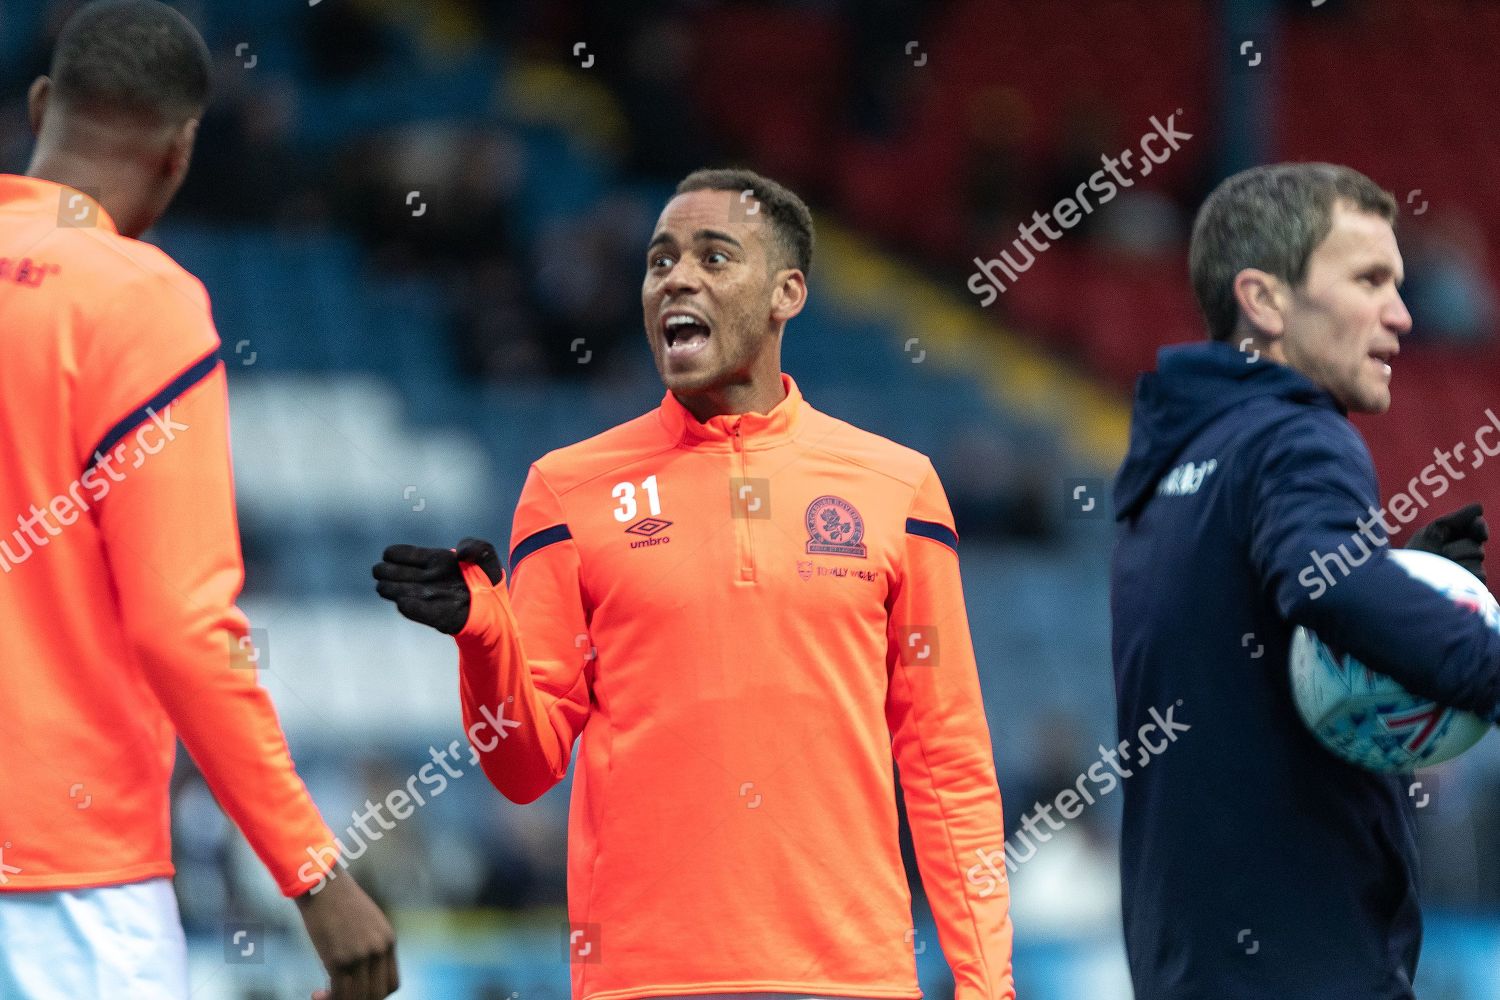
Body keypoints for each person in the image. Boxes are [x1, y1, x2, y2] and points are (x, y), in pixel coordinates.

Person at [374, 168, 1015, 1000]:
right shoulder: (566, 489)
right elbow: (523, 766)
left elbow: (948, 761)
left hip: (854, 979)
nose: (677, 277)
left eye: (715, 258)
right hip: (642, 982)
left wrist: (986, 983)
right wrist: (484, 637)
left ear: (788, 293)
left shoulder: (896, 486)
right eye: (660, 261)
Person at [0, 3, 397, 997]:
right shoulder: (140, 301)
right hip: (63, 888)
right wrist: (316, 876)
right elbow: (183, 628)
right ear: (180, 153)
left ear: (42, 102)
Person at [1111, 162, 1498, 999]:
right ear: (1266, 300)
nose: (1402, 313)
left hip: (1189, 959)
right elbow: (1327, 587)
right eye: (1369, 280)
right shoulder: (1297, 435)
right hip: (1303, 960)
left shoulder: (1173, 460)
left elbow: (1257, 638)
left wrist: (1390, 569)